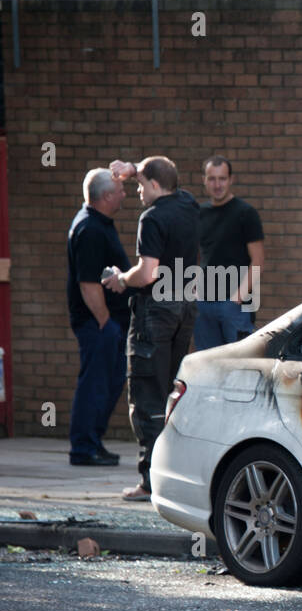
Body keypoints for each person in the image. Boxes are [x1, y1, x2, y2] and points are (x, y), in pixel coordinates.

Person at [102, 156, 200, 501]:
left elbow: (147, 273)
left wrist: (120, 280)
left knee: (147, 396)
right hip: (185, 308)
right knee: (171, 393)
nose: (138, 191)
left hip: (155, 312)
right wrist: (135, 169)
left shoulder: (153, 217)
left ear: (155, 186)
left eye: (141, 185)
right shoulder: (188, 204)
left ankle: (149, 482)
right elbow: (167, 174)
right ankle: (172, 476)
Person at [66, 168, 130, 466]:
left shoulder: (99, 223)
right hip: (98, 324)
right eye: (120, 191)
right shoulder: (90, 229)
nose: (124, 195)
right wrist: (105, 322)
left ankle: (93, 442)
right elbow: (88, 283)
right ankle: (83, 448)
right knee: (95, 383)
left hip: (107, 324)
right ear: (106, 196)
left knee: (109, 382)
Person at [194, 155, 264, 349]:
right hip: (204, 304)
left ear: (231, 180)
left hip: (235, 306)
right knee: (206, 367)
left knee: (238, 368)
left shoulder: (246, 213)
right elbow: (198, 255)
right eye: (212, 178)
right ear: (204, 180)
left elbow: (258, 261)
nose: (217, 185)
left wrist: (237, 298)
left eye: (222, 178)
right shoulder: (199, 213)